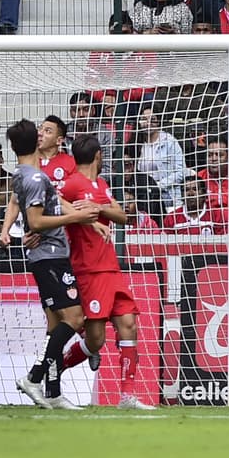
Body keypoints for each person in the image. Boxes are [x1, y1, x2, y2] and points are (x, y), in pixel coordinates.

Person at [3, 118, 97, 408]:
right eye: (40, 131)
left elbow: (42, 209)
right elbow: (35, 220)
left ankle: (53, 393)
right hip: (51, 257)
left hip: (46, 254)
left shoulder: (24, 174)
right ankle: (34, 376)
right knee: (76, 319)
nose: (44, 134)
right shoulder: (33, 177)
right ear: (35, 142)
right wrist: (75, 218)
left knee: (56, 324)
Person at [57, 134, 155, 409]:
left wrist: (98, 207)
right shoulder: (72, 182)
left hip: (111, 267)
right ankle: (52, 370)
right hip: (88, 270)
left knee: (128, 325)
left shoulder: (100, 184)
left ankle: (127, 396)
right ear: (99, 155)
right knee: (95, 340)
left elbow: (123, 217)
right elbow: (52, 199)